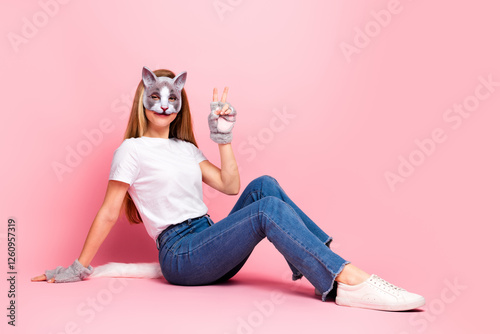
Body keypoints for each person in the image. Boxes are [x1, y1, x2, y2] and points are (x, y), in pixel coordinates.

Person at [32, 67, 425, 312]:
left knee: (264, 187)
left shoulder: (186, 149)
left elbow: (230, 185)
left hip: (208, 238)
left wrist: (223, 137)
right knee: (265, 210)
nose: (165, 105)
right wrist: (78, 266)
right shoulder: (130, 151)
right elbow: (107, 211)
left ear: (181, 103)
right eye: (156, 97)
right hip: (181, 255)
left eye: (174, 98)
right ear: (143, 100)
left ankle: (326, 265)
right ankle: (344, 278)